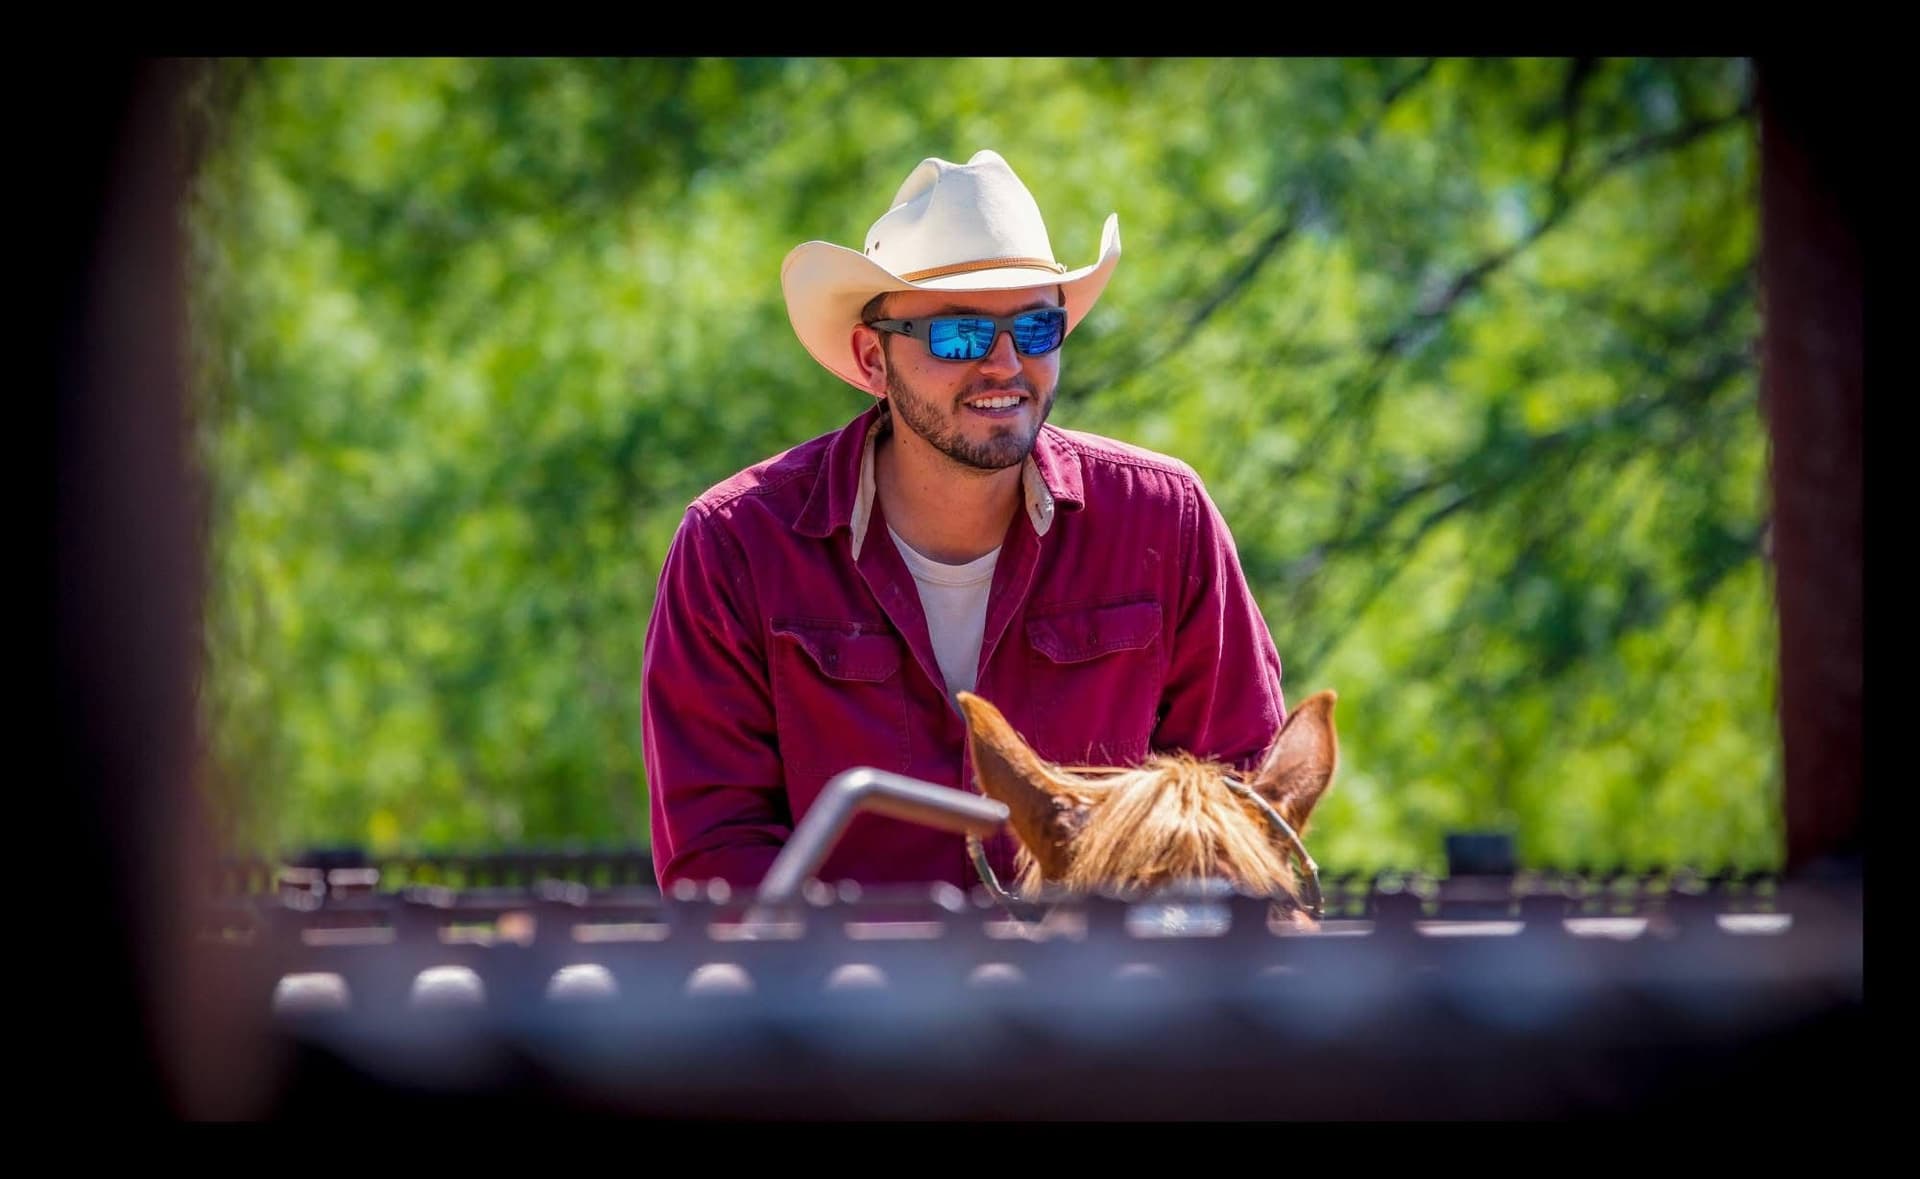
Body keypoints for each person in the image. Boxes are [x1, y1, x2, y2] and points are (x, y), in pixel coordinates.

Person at [642, 149, 1286, 893]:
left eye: (1037, 327)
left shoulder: (1164, 521)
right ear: (872, 358)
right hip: (829, 972)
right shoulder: (734, 547)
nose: (1005, 364)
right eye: (959, 335)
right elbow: (716, 858)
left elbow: (1240, 801)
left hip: (1106, 969)